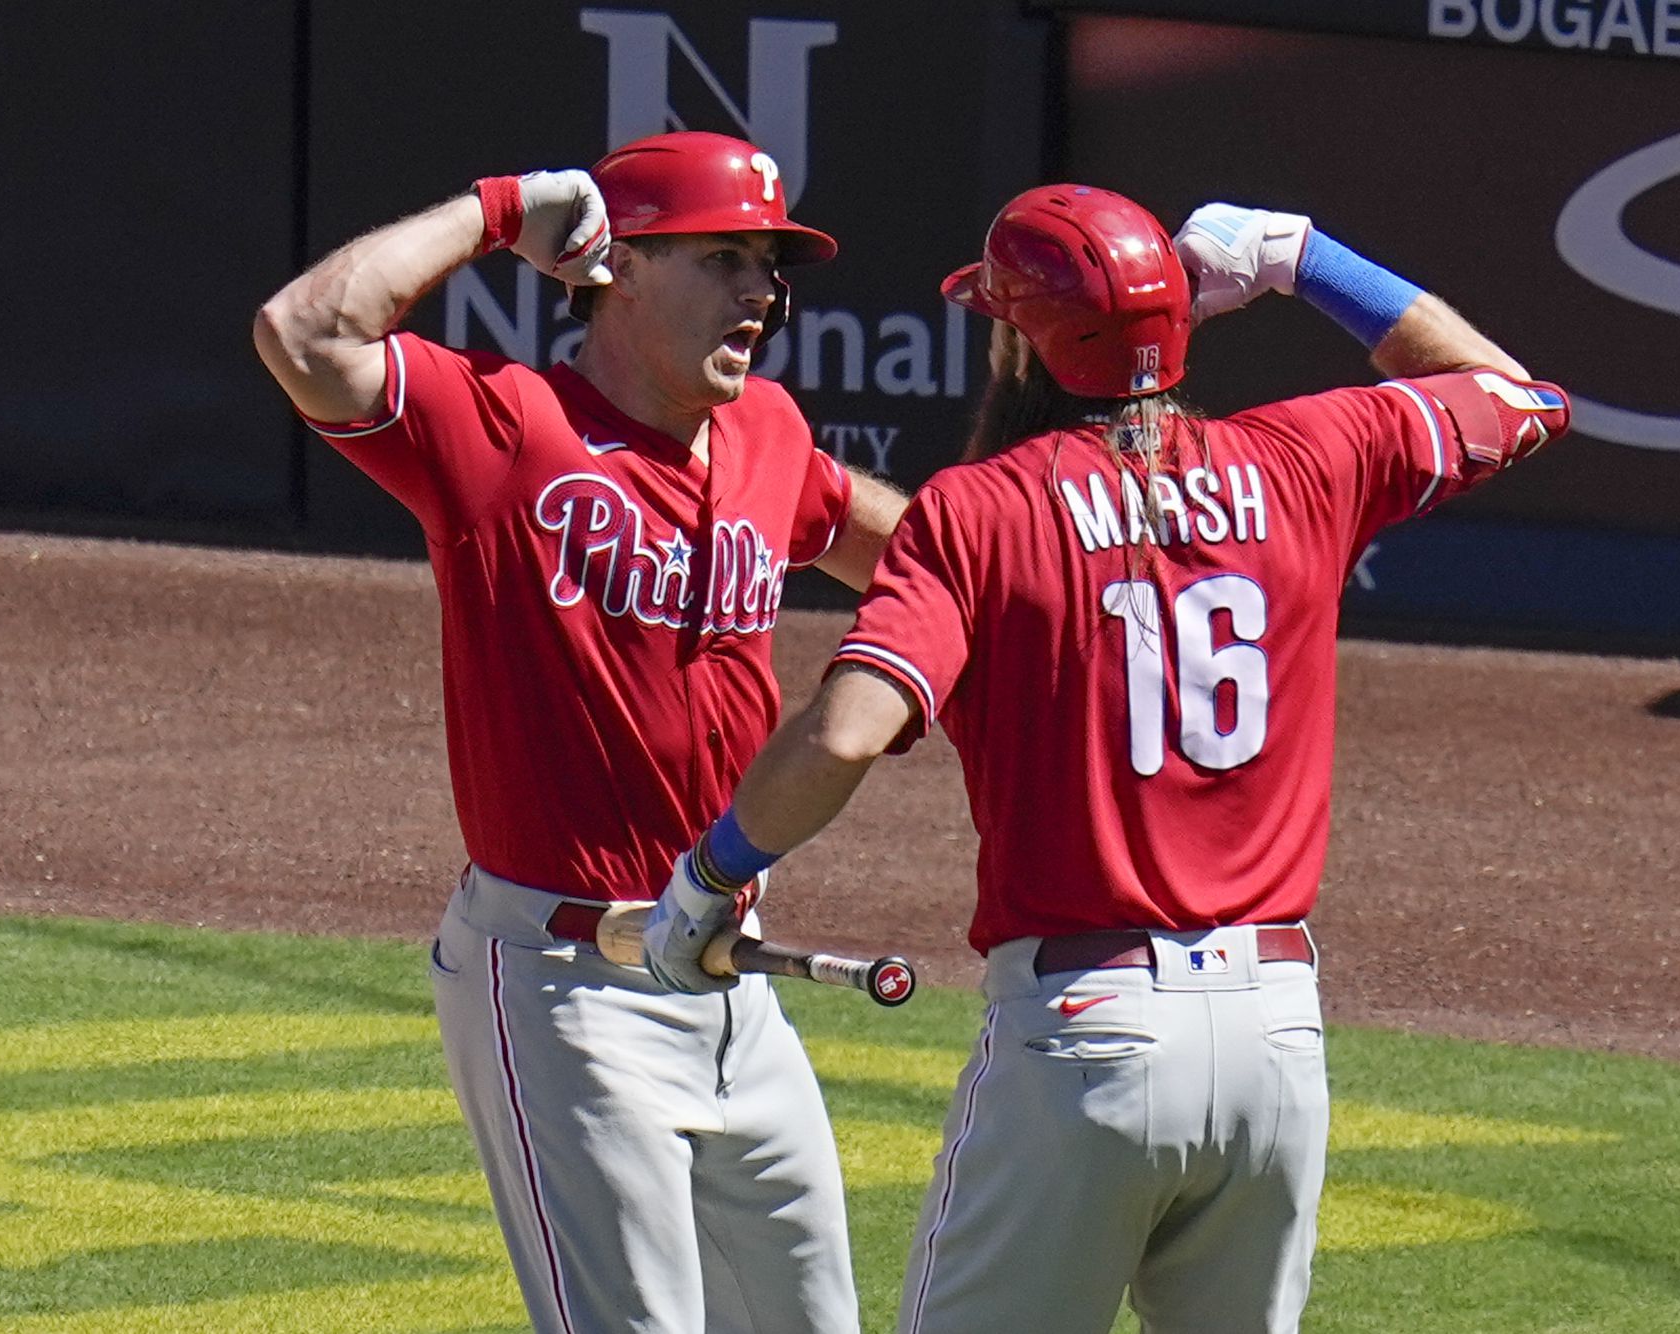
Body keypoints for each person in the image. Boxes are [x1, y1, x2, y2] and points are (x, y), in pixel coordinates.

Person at [640, 185, 1571, 1333]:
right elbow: (1518, 395)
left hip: (1086, 1032)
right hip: (1277, 1035)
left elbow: (843, 730)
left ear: (1023, 340)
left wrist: (710, 875)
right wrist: (1303, 256)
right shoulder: (1305, 457)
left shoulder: (975, 510)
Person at [252, 130, 907, 1334]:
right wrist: (502, 208)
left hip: (733, 975)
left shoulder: (762, 431)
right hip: (565, 982)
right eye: (724, 259)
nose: (762, 292)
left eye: (770, 265)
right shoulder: (502, 426)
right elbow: (304, 333)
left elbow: (892, 545)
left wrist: (1007, 594)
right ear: (619, 269)